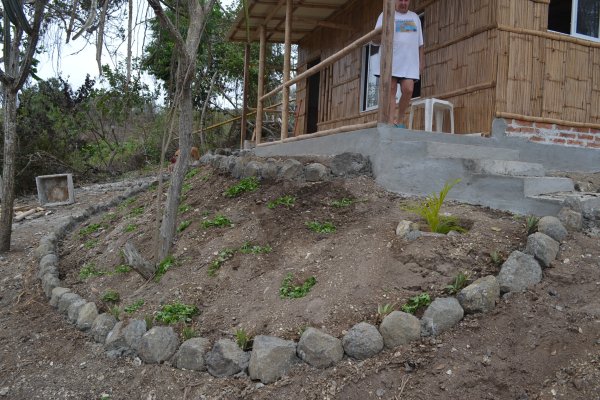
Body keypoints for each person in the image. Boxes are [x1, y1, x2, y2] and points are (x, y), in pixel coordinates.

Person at [373, 0, 424, 127]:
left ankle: (399, 118)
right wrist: (385, 32)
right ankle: (390, 124)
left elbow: (420, 44)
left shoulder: (415, 18)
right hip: (390, 61)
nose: (403, 3)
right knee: (391, 91)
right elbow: (374, 39)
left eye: (406, 0)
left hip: (409, 62)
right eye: (400, 0)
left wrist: (421, 63)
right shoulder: (386, 14)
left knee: (408, 89)